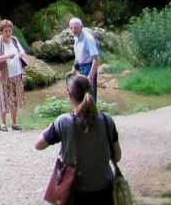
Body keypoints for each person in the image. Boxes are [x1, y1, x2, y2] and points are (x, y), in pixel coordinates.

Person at [36, 74, 121, 204]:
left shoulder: (64, 121)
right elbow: (117, 157)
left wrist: (49, 127)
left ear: (69, 94)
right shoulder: (106, 120)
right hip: (105, 191)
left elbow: (39, 145)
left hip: (75, 192)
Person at [0, 18, 28, 131]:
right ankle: (2, 123)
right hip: (4, 75)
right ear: (1, 31)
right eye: (5, 31)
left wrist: (19, 55)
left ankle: (14, 123)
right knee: (3, 99)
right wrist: (6, 56)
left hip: (16, 73)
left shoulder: (14, 40)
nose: (8, 33)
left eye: (10, 31)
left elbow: (22, 52)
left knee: (14, 99)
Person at [70, 18, 100, 100]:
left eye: (76, 27)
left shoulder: (88, 39)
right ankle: (83, 112)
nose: (73, 30)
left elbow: (96, 59)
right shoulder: (76, 38)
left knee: (89, 93)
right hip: (80, 67)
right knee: (81, 93)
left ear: (81, 27)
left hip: (89, 67)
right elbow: (78, 56)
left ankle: (92, 112)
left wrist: (90, 76)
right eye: (71, 28)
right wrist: (73, 69)